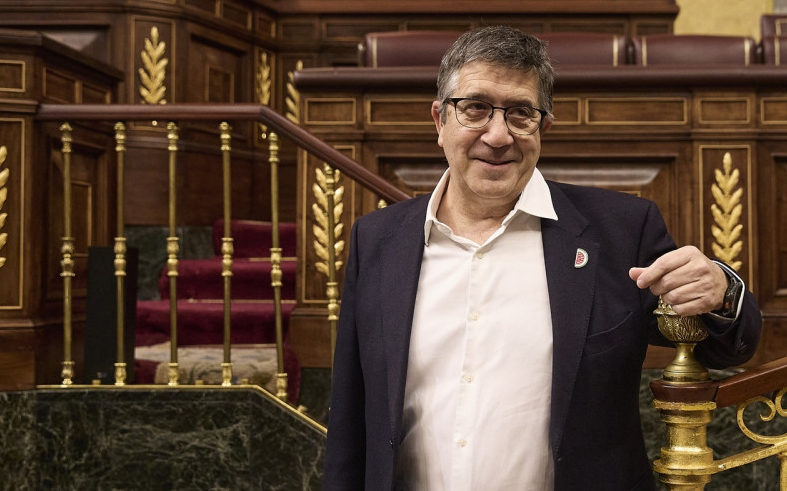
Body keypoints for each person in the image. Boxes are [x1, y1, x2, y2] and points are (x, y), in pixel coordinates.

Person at [323, 26, 762, 491]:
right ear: (439, 120)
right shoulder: (378, 240)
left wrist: (721, 291)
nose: (498, 135)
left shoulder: (620, 233)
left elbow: (721, 346)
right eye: (475, 108)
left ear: (543, 128)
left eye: (521, 114)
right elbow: (351, 417)